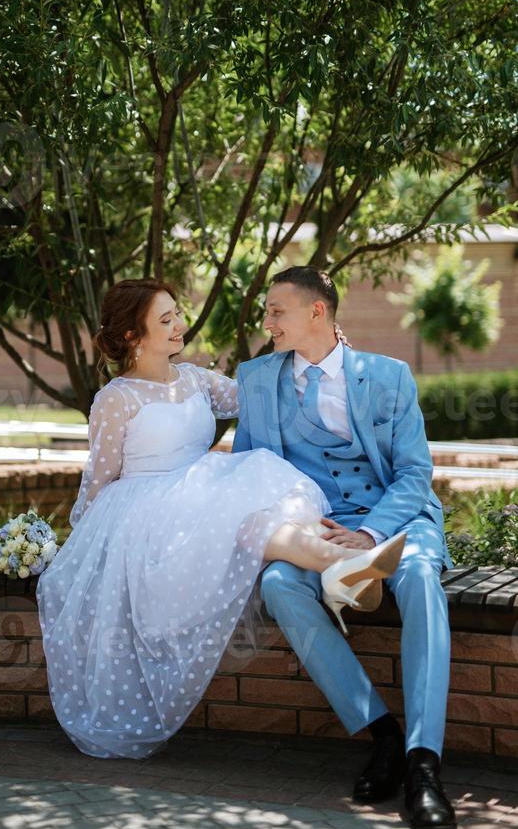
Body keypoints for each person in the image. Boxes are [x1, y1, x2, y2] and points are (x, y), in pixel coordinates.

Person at [36, 278, 405, 762]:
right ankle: (344, 564)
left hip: (203, 489)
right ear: (132, 335)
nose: (179, 326)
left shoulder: (193, 379)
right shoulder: (115, 399)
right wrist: (78, 547)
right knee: (252, 520)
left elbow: (264, 394)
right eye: (165, 320)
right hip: (148, 514)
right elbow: (99, 478)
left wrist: (326, 352)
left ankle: (344, 565)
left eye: (176, 315)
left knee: (271, 500)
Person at [233, 265, 456, 829]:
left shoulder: (389, 376)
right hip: (317, 530)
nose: (267, 322)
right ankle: (380, 734)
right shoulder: (257, 380)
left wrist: (370, 534)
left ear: (317, 312)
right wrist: (302, 524)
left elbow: (414, 475)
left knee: (420, 582)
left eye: (276, 311)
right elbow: (251, 474)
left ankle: (422, 762)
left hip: (394, 519)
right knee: (280, 584)